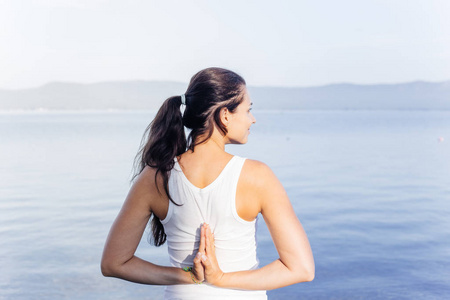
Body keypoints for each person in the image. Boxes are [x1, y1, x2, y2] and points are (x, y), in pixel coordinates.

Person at [101, 67, 314, 299]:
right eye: (248, 110)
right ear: (225, 115)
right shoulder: (257, 176)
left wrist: (189, 276)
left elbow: (114, 263)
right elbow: (301, 268)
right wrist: (220, 279)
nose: (252, 119)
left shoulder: (155, 177)